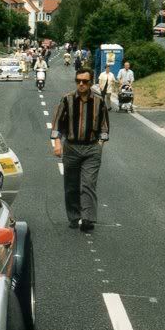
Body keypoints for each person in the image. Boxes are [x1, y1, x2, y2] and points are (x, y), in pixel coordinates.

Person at [50, 68, 110, 232]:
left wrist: (100, 145)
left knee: (88, 184)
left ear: (91, 82)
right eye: (78, 81)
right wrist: (57, 143)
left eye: (84, 81)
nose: (81, 84)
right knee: (71, 185)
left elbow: (105, 127)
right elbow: (57, 124)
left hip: (91, 148)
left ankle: (88, 219)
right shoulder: (67, 100)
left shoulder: (99, 101)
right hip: (71, 147)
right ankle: (74, 216)